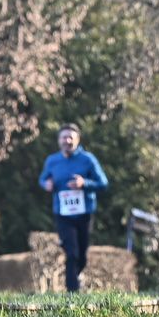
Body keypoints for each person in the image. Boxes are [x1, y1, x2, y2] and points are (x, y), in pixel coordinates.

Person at [38, 124, 109, 292]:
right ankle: (73, 293)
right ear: (59, 140)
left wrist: (84, 183)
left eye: (71, 137)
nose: (67, 141)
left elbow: (103, 183)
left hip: (84, 213)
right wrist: (46, 184)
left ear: (78, 140)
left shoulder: (88, 159)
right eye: (64, 137)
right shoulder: (52, 161)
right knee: (71, 252)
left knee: (82, 256)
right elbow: (42, 179)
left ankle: (76, 276)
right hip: (62, 214)